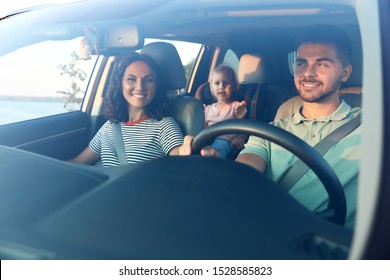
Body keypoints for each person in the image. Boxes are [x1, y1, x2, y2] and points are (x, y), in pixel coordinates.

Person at [180, 25, 360, 228]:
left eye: (322, 65)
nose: (307, 73)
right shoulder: (269, 132)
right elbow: (245, 170)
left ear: (345, 73)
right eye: (301, 64)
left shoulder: (372, 129)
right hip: (273, 235)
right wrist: (219, 169)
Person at [70, 52, 184, 167]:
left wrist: (190, 149)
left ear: (156, 85)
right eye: (131, 79)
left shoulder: (164, 126)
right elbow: (77, 163)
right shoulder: (109, 126)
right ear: (120, 84)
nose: (140, 87)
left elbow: (182, 156)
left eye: (148, 80)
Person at [204, 64, 247, 158]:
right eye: (217, 83)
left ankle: (215, 155)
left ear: (234, 86)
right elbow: (203, 129)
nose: (221, 86)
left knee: (221, 146)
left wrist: (239, 138)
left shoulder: (236, 107)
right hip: (207, 140)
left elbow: (245, 129)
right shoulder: (208, 109)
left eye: (226, 83)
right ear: (211, 88)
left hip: (226, 141)